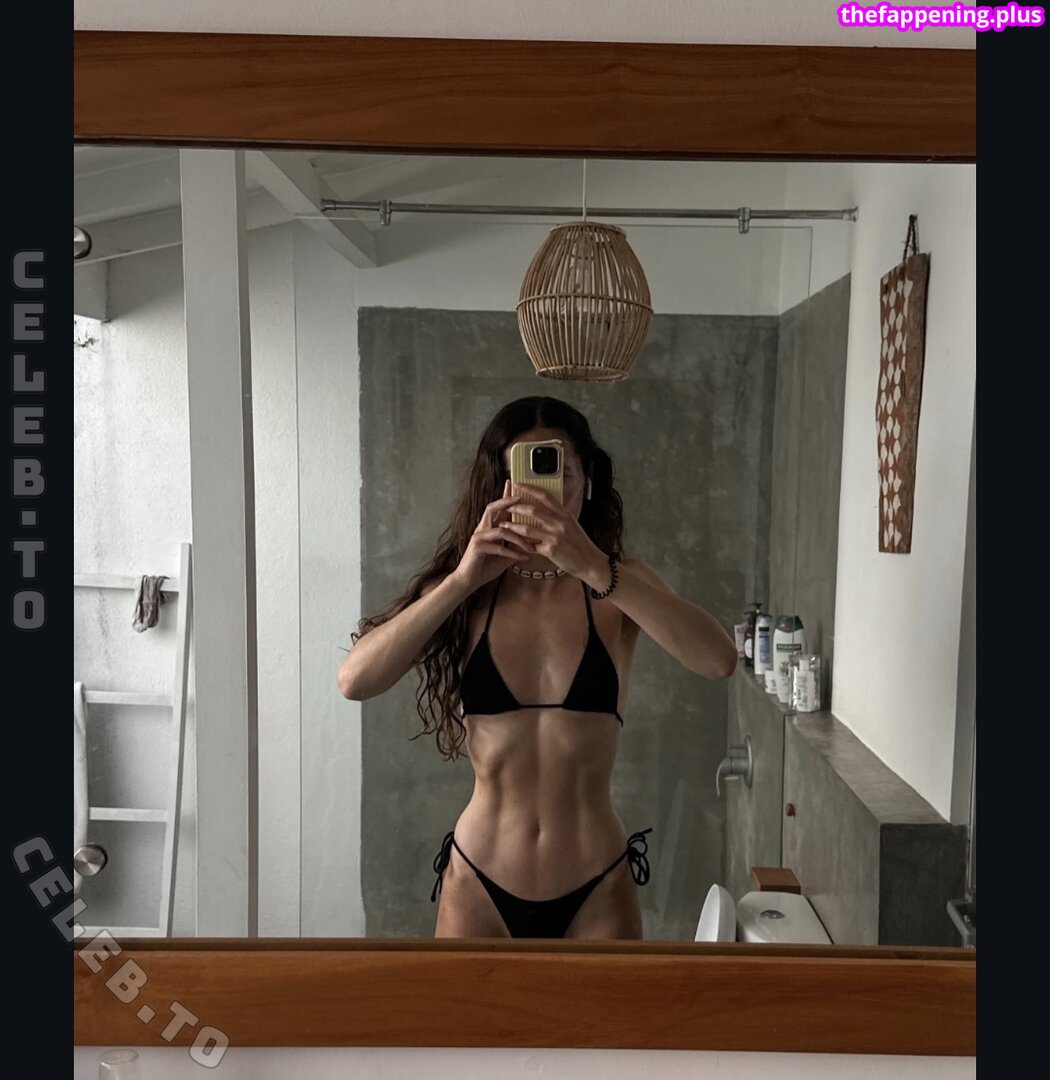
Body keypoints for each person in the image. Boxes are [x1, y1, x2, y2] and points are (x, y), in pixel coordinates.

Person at [338, 396, 737, 939]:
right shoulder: (467, 592)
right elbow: (355, 681)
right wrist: (462, 580)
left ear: (587, 481)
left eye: (559, 474)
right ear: (499, 487)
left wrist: (594, 566)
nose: (544, 494)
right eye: (524, 476)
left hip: (597, 884)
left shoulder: (619, 586)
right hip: (479, 883)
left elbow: (718, 660)